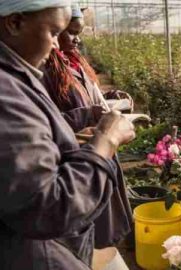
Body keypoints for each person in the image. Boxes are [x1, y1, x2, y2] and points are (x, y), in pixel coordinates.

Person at [0, 1, 135, 269]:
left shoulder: (19, 76)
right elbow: (48, 207)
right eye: (53, 32)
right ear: (14, 23)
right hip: (38, 253)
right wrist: (104, 141)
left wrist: (70, 141)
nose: (58, 45)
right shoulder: (6, 92)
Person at [42, 5, 133, 268]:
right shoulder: (47, 69)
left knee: (106, 214)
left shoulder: (75, 60)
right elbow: (51, 121)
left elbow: (90, 93)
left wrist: (111, 98)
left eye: (78, 33)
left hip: (99, 150)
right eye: (70, 32)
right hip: (81, 158)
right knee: (91, 223)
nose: (76, 39)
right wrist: (88, 113)